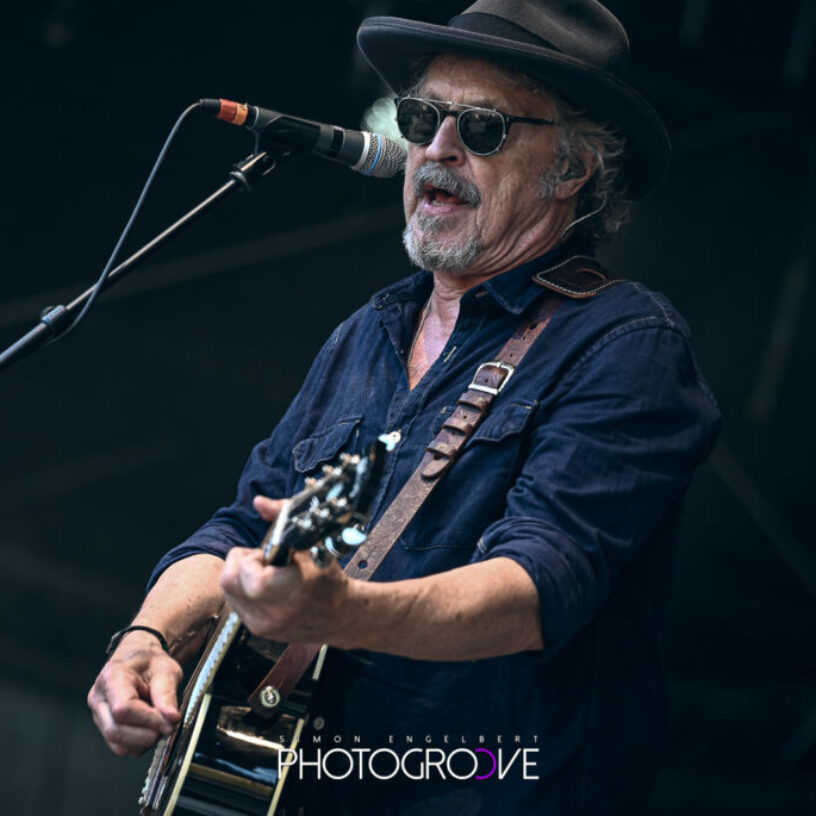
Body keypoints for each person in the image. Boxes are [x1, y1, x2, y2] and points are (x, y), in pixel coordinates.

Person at [88, 1, 720, 813]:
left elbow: (536, 588)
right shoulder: (367, 333)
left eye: (483, 128)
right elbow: (244, 528)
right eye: (422, 118)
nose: (438, 148)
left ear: (571, 170)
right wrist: (148, 638)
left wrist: (341, 612)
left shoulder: (624, 342)